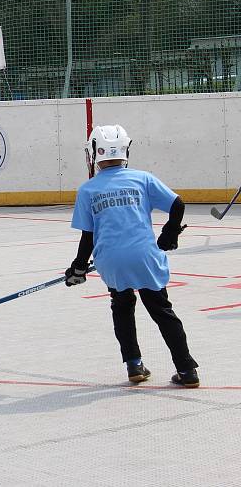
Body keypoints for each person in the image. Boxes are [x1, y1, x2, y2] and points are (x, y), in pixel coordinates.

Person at [64, 124, 199, 387]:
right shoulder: (143, 178)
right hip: (144, 256)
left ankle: (134, 365)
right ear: (126, 149)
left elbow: (88, 237)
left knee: (122, 307)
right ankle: (186, 370)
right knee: (161, 310)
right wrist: (170, 234)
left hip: (111, 261)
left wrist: (78, 269)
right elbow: (177, 204)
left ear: (94, 153)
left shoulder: (88, 189)